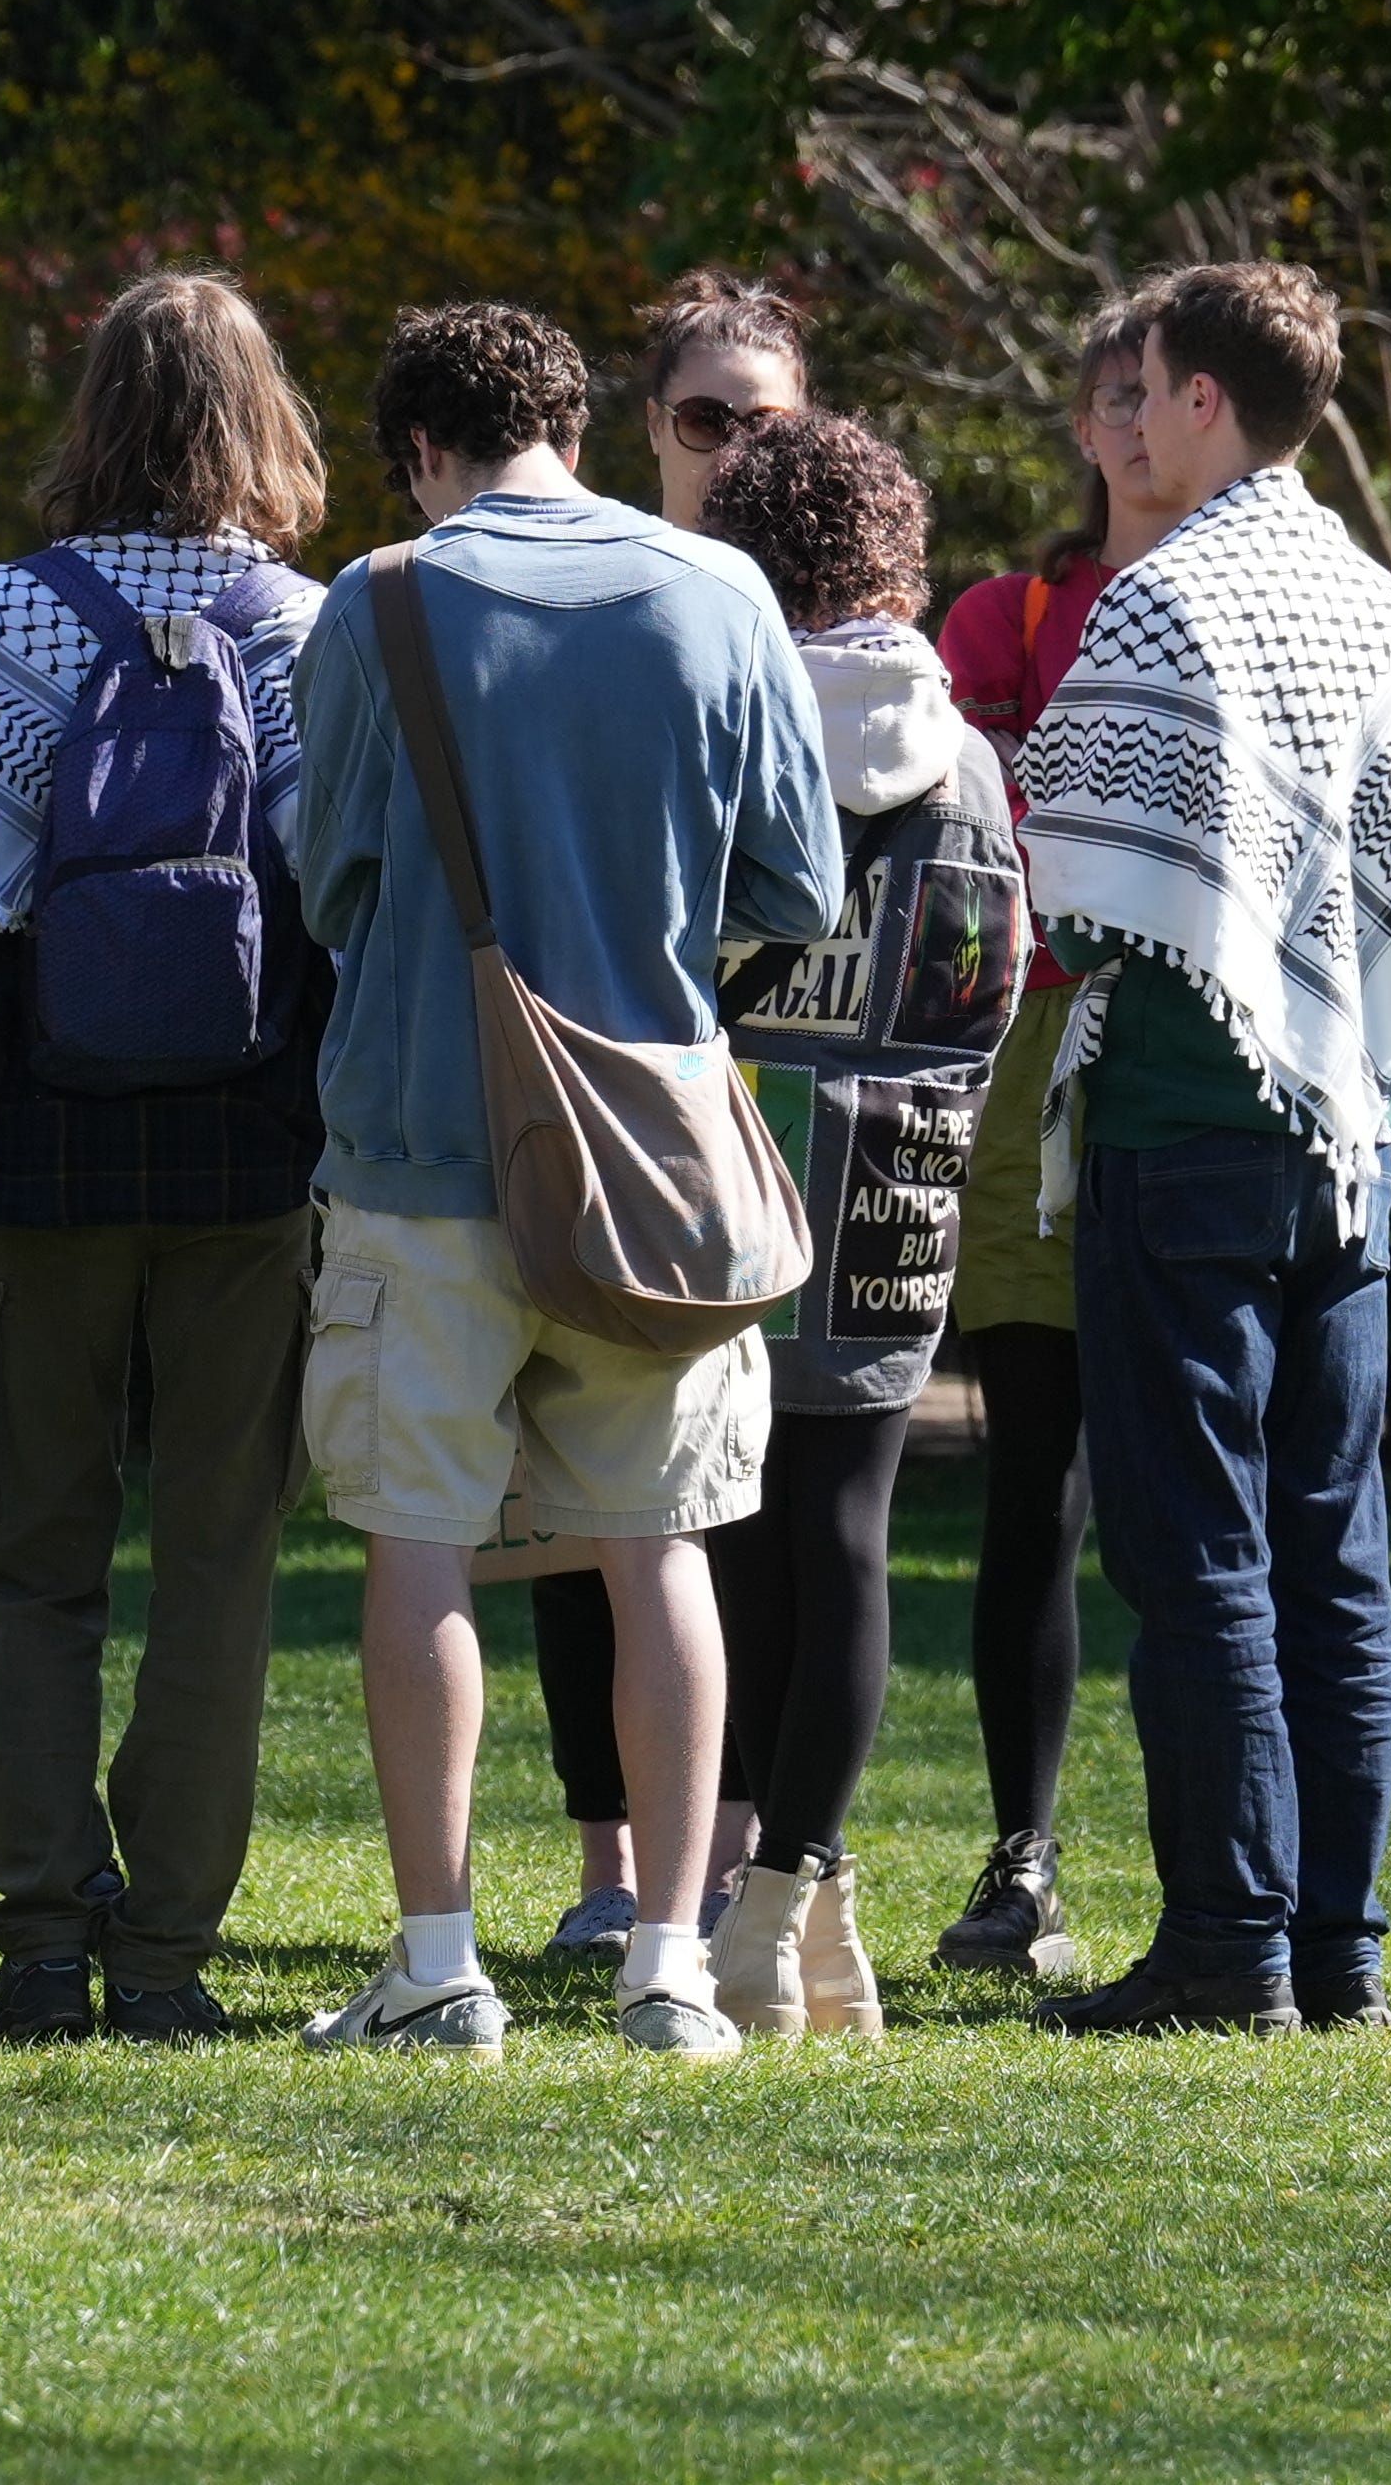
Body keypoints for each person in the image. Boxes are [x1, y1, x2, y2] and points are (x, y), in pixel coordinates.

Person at [288, 301, 843, 2063]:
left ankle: (438, 1959)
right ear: (576, 431)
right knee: (657, 1544)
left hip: (416, 1136)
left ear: (422, 449)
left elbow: (330, 882)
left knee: (420, 1540)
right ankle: (668, 1961)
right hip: (657, 1158)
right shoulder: (718, 591)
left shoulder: (379, 600)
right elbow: (798, 882)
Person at [1011, 261, 1391, 2035]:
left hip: (1182, 1124)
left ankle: (1229, 1943)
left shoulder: (1168, 600)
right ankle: (1339, 1948)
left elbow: (1066, 871)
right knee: (1335, 1546)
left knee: (1196, 1549)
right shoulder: (1383, 607)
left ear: (1209, 398)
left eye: (1142, 387)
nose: (1125, 420)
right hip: (1351, 1139)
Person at [0, 270, 332, 2043]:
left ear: (94, 410)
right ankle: (167, 1960)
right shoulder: (309, 626)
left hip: (43, 1145)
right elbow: (336, 902)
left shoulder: (0, 616)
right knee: (219, 1563)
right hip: (248, 1156)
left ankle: (43, 1939)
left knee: (35, 1563)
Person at [690, 409, 1019, 2040]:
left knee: (732, 1536)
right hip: (896, 1183)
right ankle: (802, 1906)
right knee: (849, 1535)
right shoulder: (967, 758)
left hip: (724, 1180)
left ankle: (768, 1897)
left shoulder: (721, 733)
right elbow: (996, 986)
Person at [512, 270, 823, 1962]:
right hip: (598, 1094)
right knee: (589, 1486)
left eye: (762, 417)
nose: (731, 448)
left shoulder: (815, 605)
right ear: (647, 429)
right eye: (702, 418)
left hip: (767, 1102)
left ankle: (743, 1843)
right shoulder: (617, 587)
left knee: (746, 1496)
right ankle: (608, 1855)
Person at [928, 288, 1153, 1979]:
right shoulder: (1006, 618)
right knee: (1038, 1484)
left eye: (1170, 393)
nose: (1140, 426)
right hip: (1031, 1073)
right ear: (1081, 421)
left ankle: (1265, 1872)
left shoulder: (1278, 610)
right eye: (1115, 395)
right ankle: (1026, 1855)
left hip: (1210, 1073)